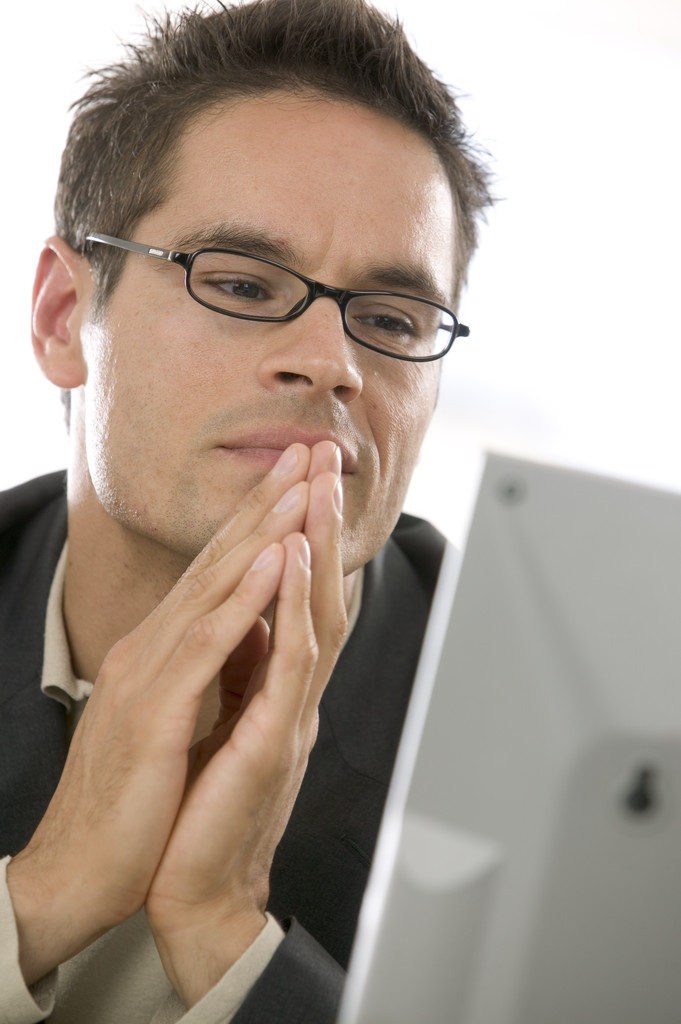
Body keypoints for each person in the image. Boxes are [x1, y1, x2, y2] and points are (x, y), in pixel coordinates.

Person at [0, 0, 492, 1020]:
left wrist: (231, 939)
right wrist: (36, 900)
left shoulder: (548, 733)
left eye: (394, 318)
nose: (331, 364)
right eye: (240, 283)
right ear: (61, 319)